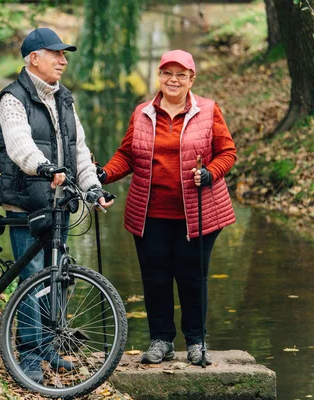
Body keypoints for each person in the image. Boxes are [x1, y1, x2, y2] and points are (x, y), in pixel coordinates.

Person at [97, 49, 236, 365]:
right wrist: (105, 173)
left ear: (191, 79)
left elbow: (227, 152)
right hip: (150, 214)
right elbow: (127, 156)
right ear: (159, 76)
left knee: (192, 276)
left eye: (181, 74)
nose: (173, 80)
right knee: (155, 277)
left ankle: (196, 342)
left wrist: (209, 172)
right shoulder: (142, 113)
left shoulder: (209, 111)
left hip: (198, 213)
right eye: (167, 73)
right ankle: (161, 340)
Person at [0, 27, 113, 383]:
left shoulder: (64, 99)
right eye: (55, 53)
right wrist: (44, 168)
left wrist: (92, 189)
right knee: (31, 279)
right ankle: (28, 358)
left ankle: (47, 347)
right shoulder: (12, 98)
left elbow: (79, 151)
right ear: (34, 58)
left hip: (58, 204)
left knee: (57, 279)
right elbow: (18, 145)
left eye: (65, 54)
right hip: (25, 202)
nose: (63, 60)